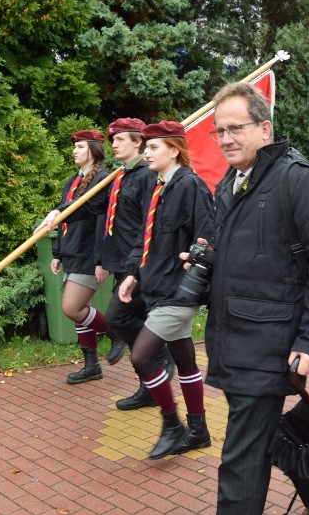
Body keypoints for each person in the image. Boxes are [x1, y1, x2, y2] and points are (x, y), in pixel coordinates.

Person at [196, 82, 309, 515]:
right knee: (255, 444)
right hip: (233, 338)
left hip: (270, 343)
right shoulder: (232, 182)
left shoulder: (297, 180)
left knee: (240, 456)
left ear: (265, 128)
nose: (226, 138)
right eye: (218, 130)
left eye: (235, 128)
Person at [118, 121, 214, 459]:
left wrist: (195, 268)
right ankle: (199, 430)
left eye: (153, 147)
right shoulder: (157, 187)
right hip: (155, 286)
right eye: (146, 147)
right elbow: (143, 239)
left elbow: (207, 238)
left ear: (174, 149)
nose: (147, 152)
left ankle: (172, 424)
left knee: (142, 356)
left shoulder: (191, 186)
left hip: (177, 291)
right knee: (185, 362)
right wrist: (132, 274)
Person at [101, 118, 175, 410]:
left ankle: (157, 358)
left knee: (118, 318)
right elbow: (99, 211)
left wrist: (136, 266)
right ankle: (151, 380)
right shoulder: (121, 175)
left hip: (141, 263)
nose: (114, 145)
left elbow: (148, 224)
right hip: (123, 261)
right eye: (113, 140)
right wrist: (59, 212)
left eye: (120, 140)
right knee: (133, 319)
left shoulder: (147, 175)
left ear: (137, 143)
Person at [36, 130, 113, 384]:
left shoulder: (103, 179)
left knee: (71, 307)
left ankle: (121, 332)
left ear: (93, 149)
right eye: (74, 147)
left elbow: (105, 221)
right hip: (72, 252)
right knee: (83, 309)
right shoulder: (72, 181)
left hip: (89, 255)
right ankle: (92, 365)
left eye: (80, 147)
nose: (74, 151)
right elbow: (62, 221)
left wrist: (101, 259)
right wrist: (58, 252)